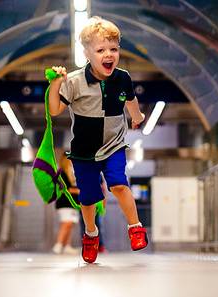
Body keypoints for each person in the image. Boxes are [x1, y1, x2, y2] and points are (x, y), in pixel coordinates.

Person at [47, 16, 148, 264]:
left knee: (119, 184)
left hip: (114, 145)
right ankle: (91, 234)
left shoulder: (123, 78)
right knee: (89, 196)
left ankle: (135, 227)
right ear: (87, 54)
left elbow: (130, 100)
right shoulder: (74, 81)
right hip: (84, 151)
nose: (108, 54)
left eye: (113, 49)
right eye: (101, 50)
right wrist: (56, 84)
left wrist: (137, 117)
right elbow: (54, 110)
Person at [52, 153, 80, 255]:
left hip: (72, 203)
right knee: (66, 223)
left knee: (70, 224)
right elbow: (67, 189)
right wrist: (80, 191)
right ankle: (58, 245)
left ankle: (67, 246)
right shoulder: (61, 173)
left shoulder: (70, 173)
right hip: (64, 203)